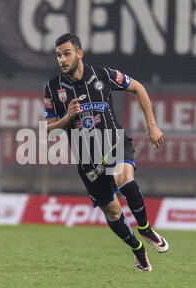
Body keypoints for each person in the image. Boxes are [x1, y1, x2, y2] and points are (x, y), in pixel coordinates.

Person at [43, 33, 168, 271]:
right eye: (58, 55)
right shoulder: (52, 87)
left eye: (67, 53)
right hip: (86, 158)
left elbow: (139, 88)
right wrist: (67, 117)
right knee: (112, 212)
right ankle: (137, 249)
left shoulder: (103, 75)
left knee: (125, 181)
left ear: (80, 54)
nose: (62, 59)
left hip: (114, 142)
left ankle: (146, 229)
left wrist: (152, 126)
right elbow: (47, 128)